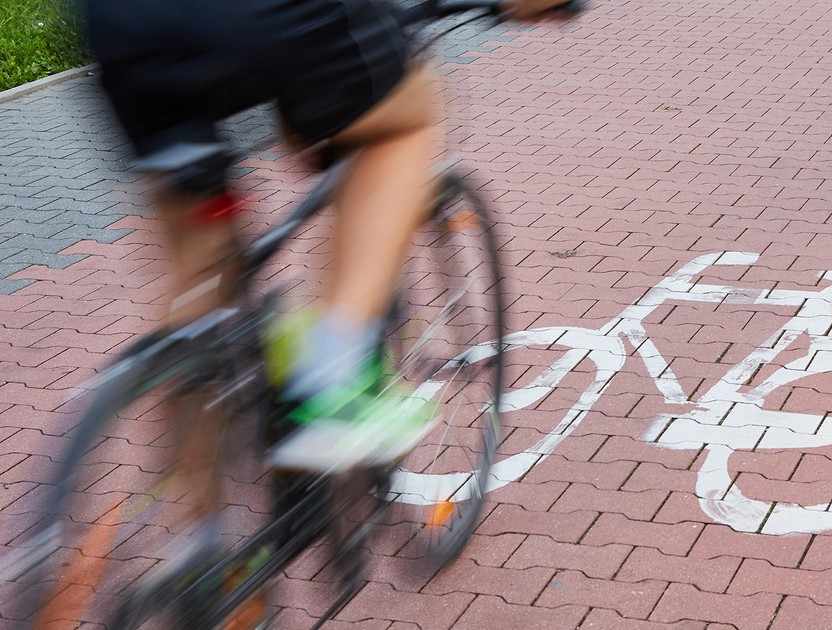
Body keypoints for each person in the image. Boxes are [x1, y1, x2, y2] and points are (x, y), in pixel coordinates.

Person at [84, 0, 568, 475]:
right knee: (406, 118)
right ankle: (336, 382)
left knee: (202, 292)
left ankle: (198, 540)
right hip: (272, 16)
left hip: (124, 29)